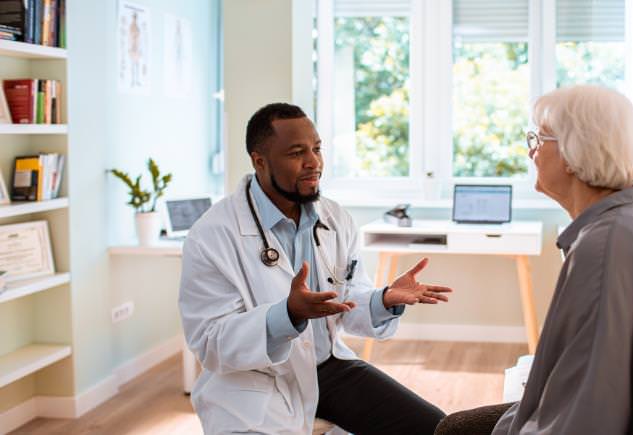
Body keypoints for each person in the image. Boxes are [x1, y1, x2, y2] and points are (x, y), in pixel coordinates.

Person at [436, 85, 633, 434]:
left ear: (573, 153)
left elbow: (590, 412)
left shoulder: (604, 247)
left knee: (455, 430)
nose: (531, 153)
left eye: (539, 140)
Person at [179, 103, 452, 434]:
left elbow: (347, 298)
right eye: (297, 153)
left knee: (438, 429)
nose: (314, 163)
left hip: (328, 368)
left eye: (317, 148)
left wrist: (384, 300)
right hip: (256, 379)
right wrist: (287, 315)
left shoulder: (334, 218)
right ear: (259, 161)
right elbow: (210, 342)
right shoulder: (212, 235)